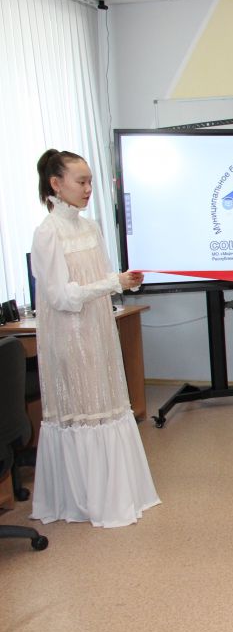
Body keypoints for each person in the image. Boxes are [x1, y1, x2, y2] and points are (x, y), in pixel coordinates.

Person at [30, 149, 160, 527]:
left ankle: (117, 495)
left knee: (107, 406)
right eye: (81, 182)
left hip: (98, 330)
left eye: (90, 181)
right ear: (56, 184)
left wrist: (123, 282)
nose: (88, 189)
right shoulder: (47, 233)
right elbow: (61, 297)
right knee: (84, 410)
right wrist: (112, 283)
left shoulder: (91, 228)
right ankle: (83, 500)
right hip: (69, 337)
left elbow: (100, 278)